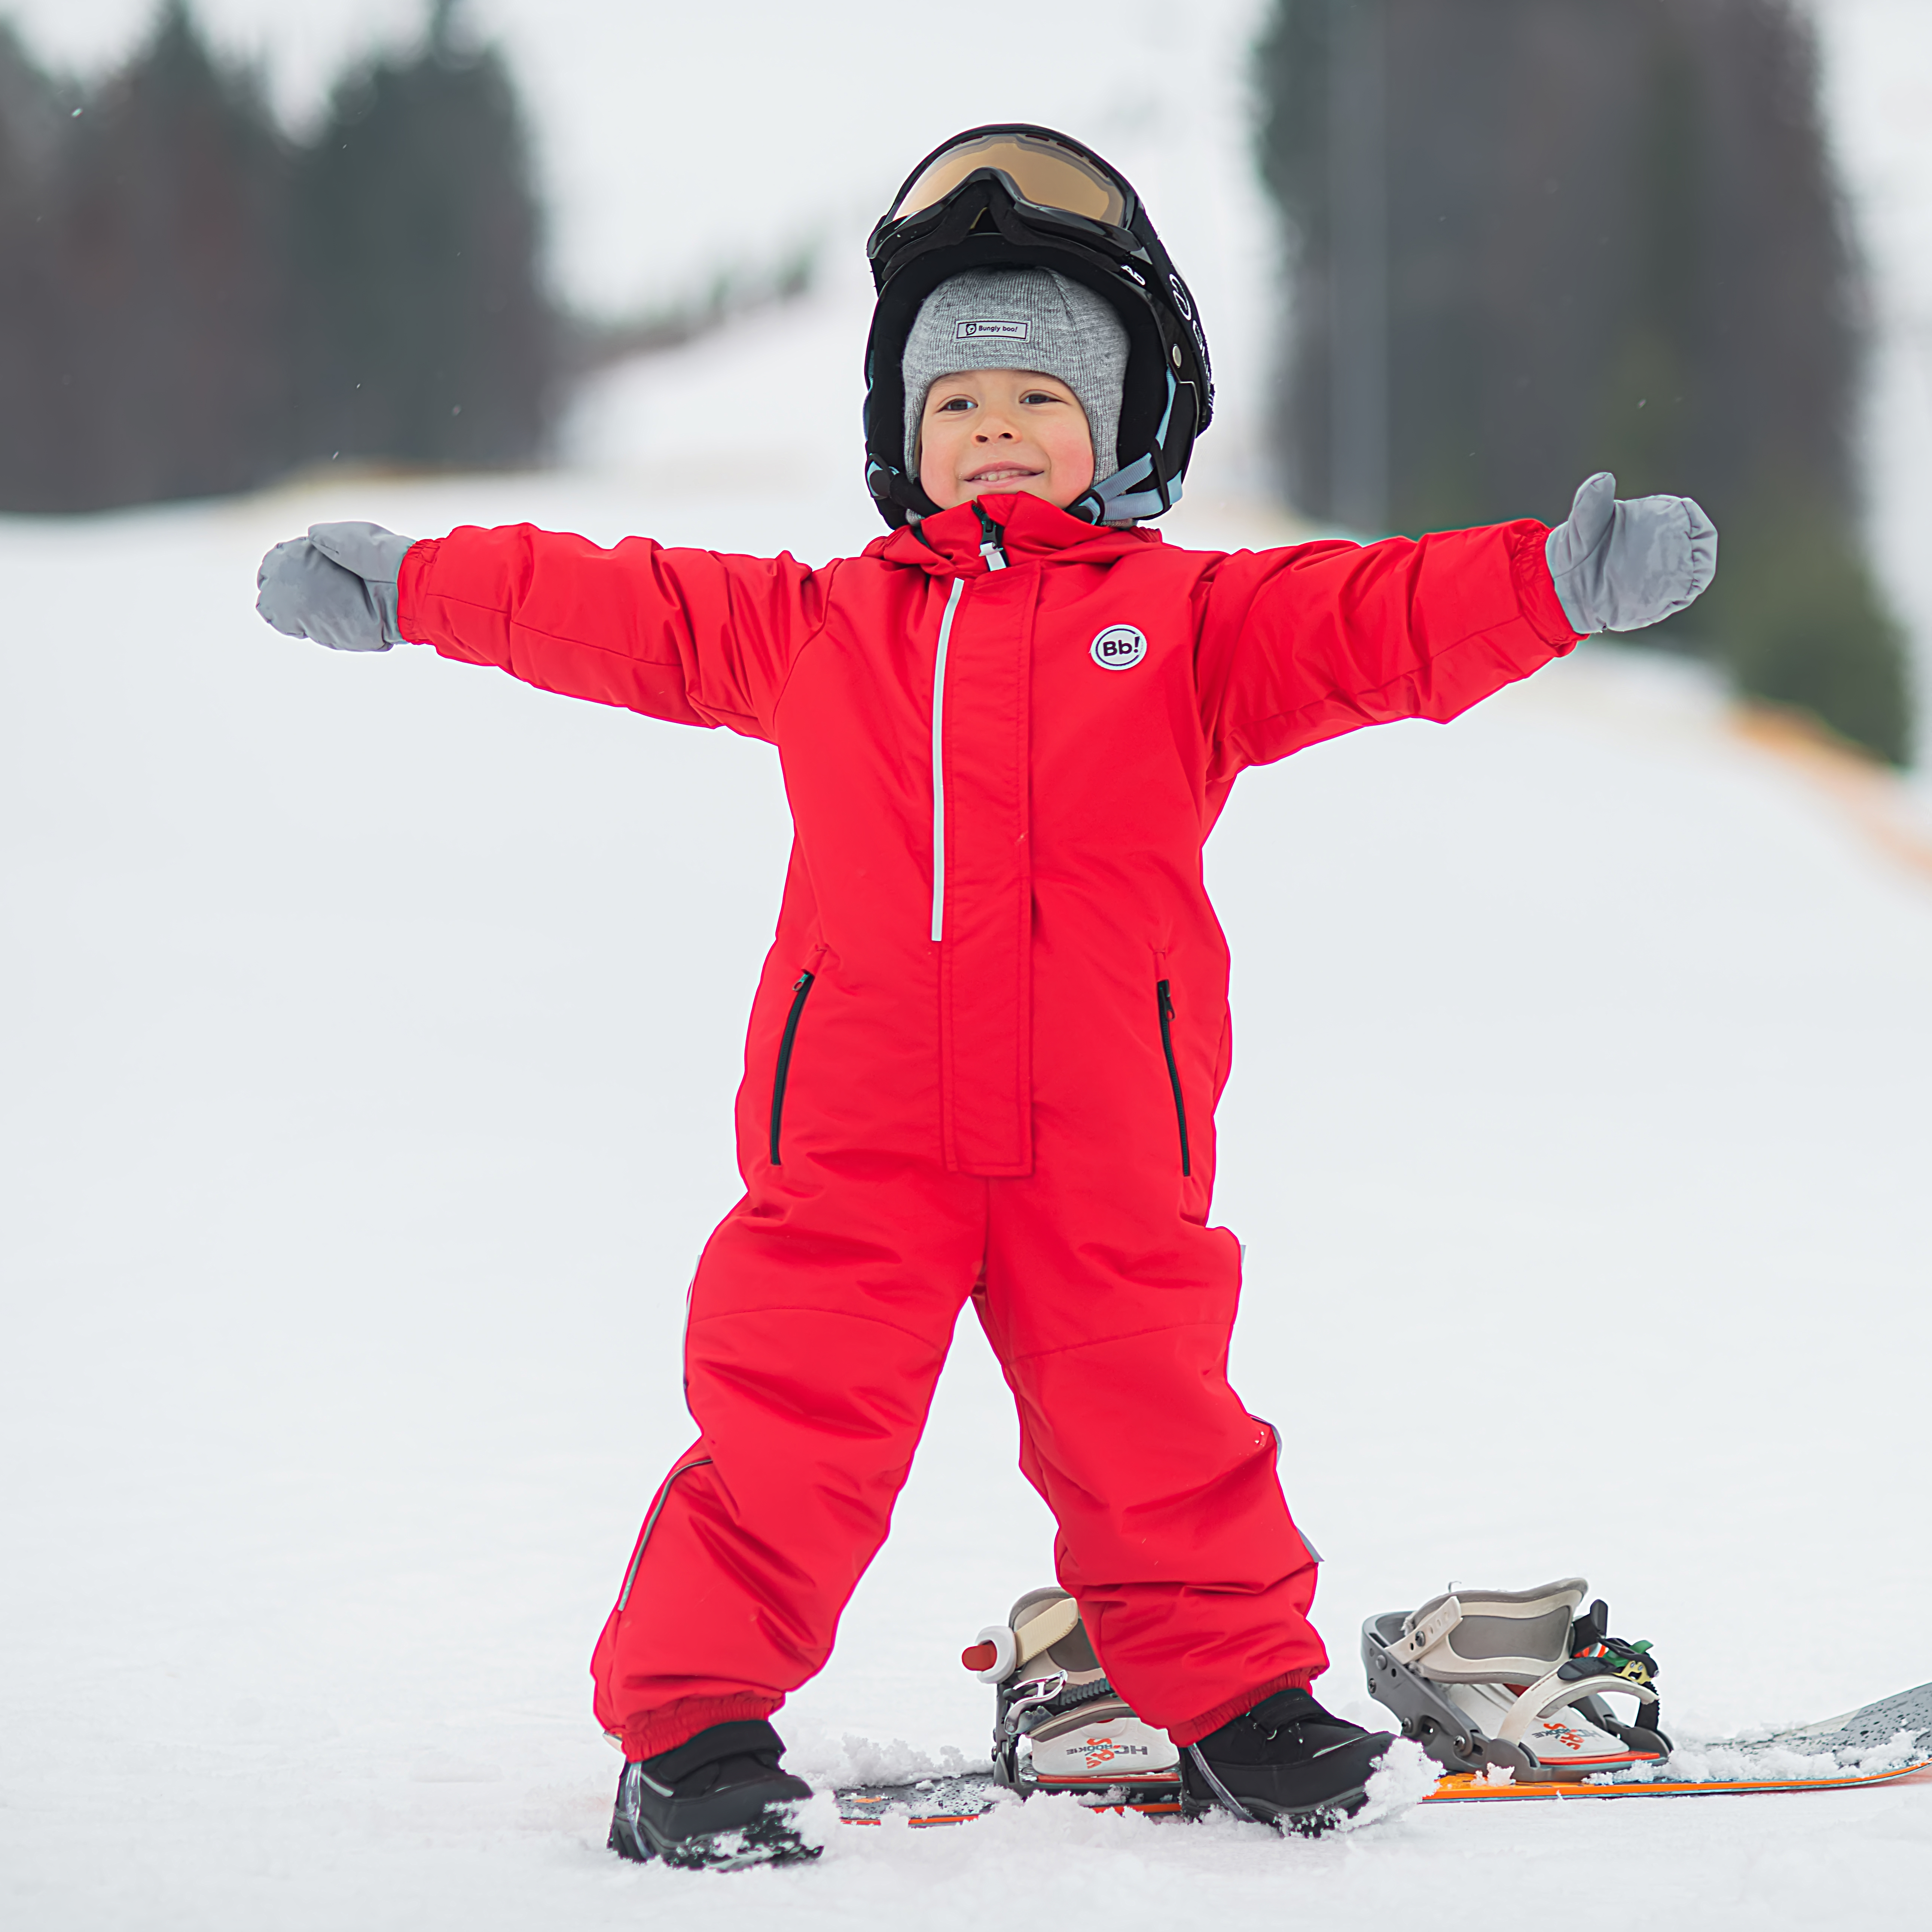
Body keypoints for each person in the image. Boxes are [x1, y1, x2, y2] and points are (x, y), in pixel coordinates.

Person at [255, 126, 1716, 1867]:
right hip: (856, 1131)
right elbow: (619, 609)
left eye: (1038, 400)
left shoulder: (1187, 628)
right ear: (901, 442)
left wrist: (1551, 583)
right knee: (786, 1431)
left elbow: (1371, 616)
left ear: (1122, 432)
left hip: (1104, 1127)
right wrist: (419, 587)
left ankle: (1240, 1697)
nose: (994, 431)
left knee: (1156, 1418)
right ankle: (693, 1731)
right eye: (955, 406)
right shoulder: (821, 628)